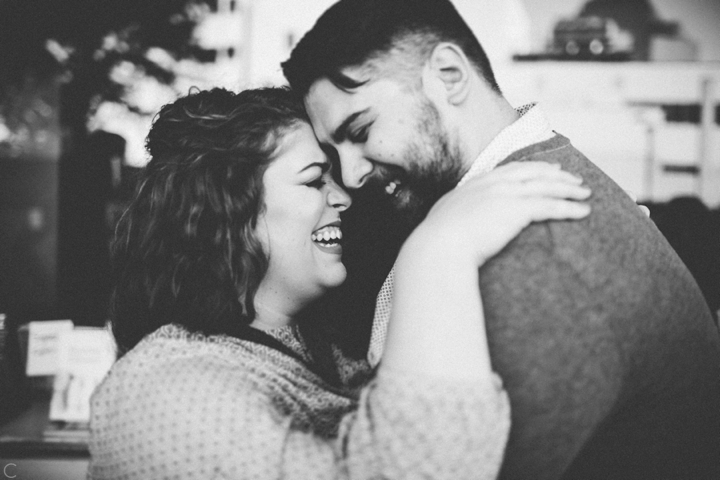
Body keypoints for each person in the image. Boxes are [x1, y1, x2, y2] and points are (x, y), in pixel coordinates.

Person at [281, 0, 720, 478]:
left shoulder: (538, 264)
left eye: (362, 130)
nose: (351, 173)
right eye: (333, 151)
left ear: (449, 74)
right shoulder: (498, 190)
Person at [87, 87, 594, 479]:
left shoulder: (319, 347)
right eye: (313, 180)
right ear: (229, 213)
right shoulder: (168, 394)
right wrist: (439, 251)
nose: (344, 198)